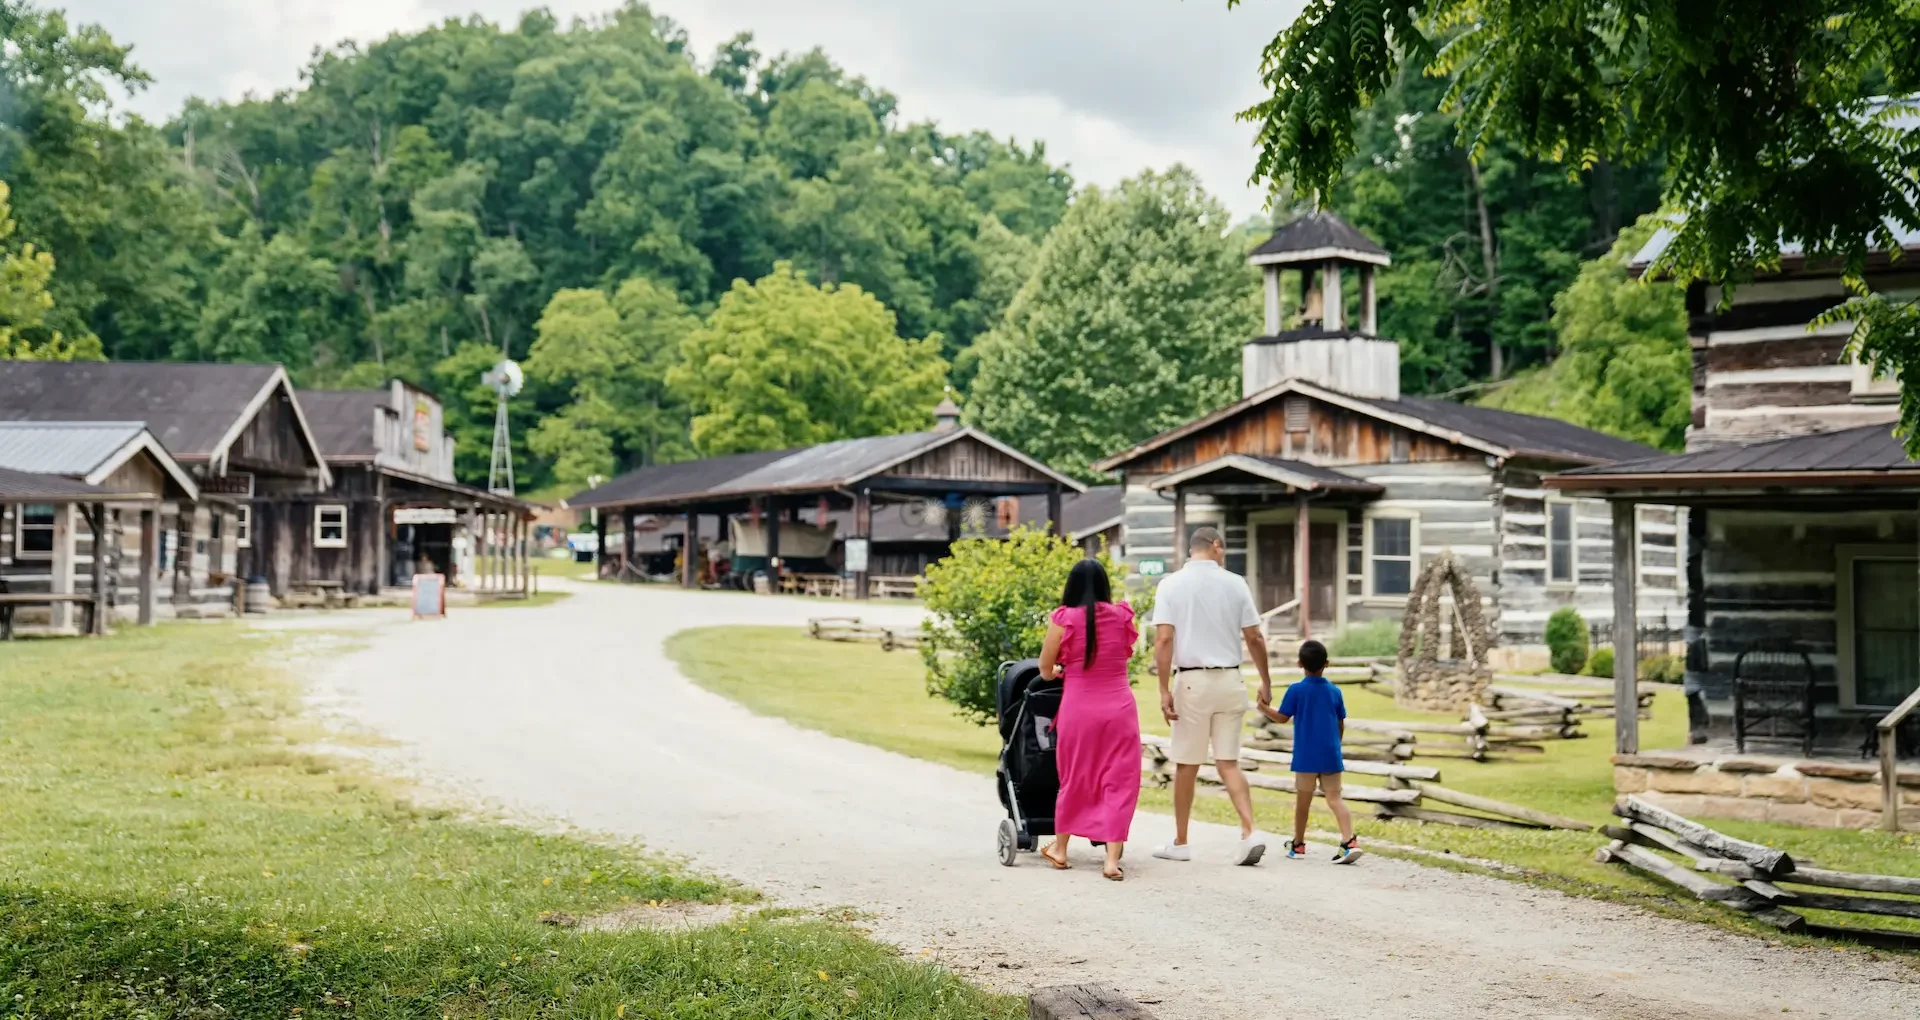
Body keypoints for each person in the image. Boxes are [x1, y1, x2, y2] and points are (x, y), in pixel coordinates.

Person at [1150, 525, 1271, 865]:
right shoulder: (1235, 583)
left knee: (1187, 764)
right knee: (1228, 762)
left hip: (1191, 682)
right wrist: (1266, 680)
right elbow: (1254, 637)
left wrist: (1162, 688)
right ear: (1215, 546)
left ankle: (1182, 841)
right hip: (1231, 679)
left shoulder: (1170, 585)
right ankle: (1250, 832)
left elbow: (1163, 639)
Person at [1037, 559, 1141, 881]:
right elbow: (1120, 655)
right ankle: (1111, 861)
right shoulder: (1122, 615)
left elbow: (1044, 668)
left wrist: (1057, 671)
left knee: (1075, 776)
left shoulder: (1063, 618)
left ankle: (1061, 850)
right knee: (1119, 780)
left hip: (1079, 709)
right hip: (1120, 709)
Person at [1258, 639, 1363, 864]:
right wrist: (1337, 745)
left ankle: (1298, 844)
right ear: (1327, 663)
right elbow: (1340, 722)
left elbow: (1282, 717)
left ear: (1299, 664)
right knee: (1335, 797)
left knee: (1303, 801)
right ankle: (1349, 841)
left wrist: (1263, 708)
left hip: (1306, 755)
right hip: (1330, 754)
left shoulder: (1296, 690)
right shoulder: (1335, 691)